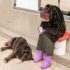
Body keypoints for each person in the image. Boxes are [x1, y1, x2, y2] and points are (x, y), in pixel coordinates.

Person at [34, 4, 66, 69]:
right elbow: (43, 22)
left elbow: (57, 29)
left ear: (49, 15)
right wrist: (41, 28)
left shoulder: (56, 13)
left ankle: (48, 61)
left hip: (58, 30)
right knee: (41, 35)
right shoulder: (45, 12)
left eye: (46, 19)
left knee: (48, 38)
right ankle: (40, 55)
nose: (45, 20)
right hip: (50, 28)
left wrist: (46, 30)